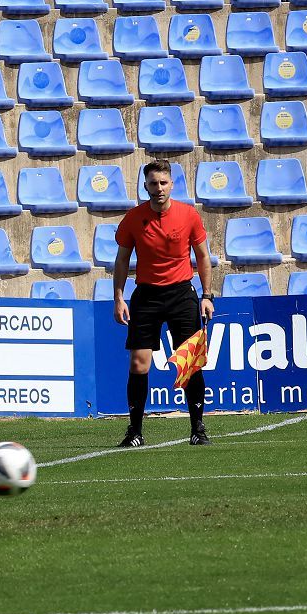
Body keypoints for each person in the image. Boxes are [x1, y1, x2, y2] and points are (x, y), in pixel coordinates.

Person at [113, 160, 215, 448]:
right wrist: (119, 297)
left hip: (182, 293)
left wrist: (207, 295)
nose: (158, 188)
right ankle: (135, 432)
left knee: (190, 364)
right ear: (145, 186)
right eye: (153, 183)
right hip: (146, 295)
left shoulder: (188, 215)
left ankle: (198, 428)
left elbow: (203, 257)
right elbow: (121, 260)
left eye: (163, 183)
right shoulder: (133, 218)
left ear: (171, 185)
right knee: (138, 363)